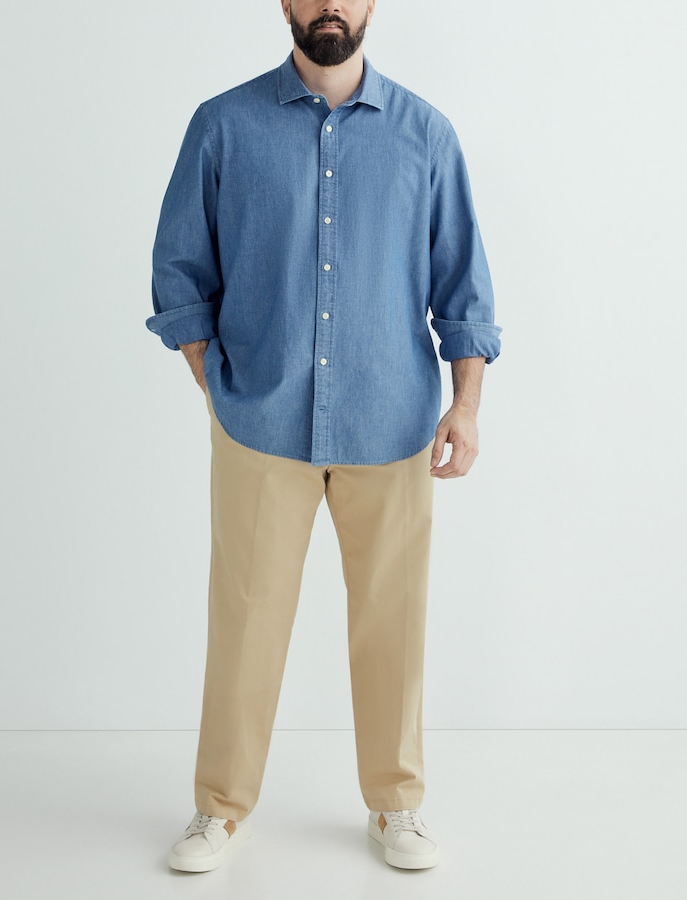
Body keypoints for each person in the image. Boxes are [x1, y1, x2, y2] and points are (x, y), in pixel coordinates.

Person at [146, 0, 501, 874]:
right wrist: (214, 378)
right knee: (245, 617)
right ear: (285, 3)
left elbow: (463, 284)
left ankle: (396, 803)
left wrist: (464, 406)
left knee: (393, 620)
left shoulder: (425, 134)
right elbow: (180, 268)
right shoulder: (223, 125)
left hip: (390, 421)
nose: (328, 4)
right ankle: (219, 809)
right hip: (260, 423)